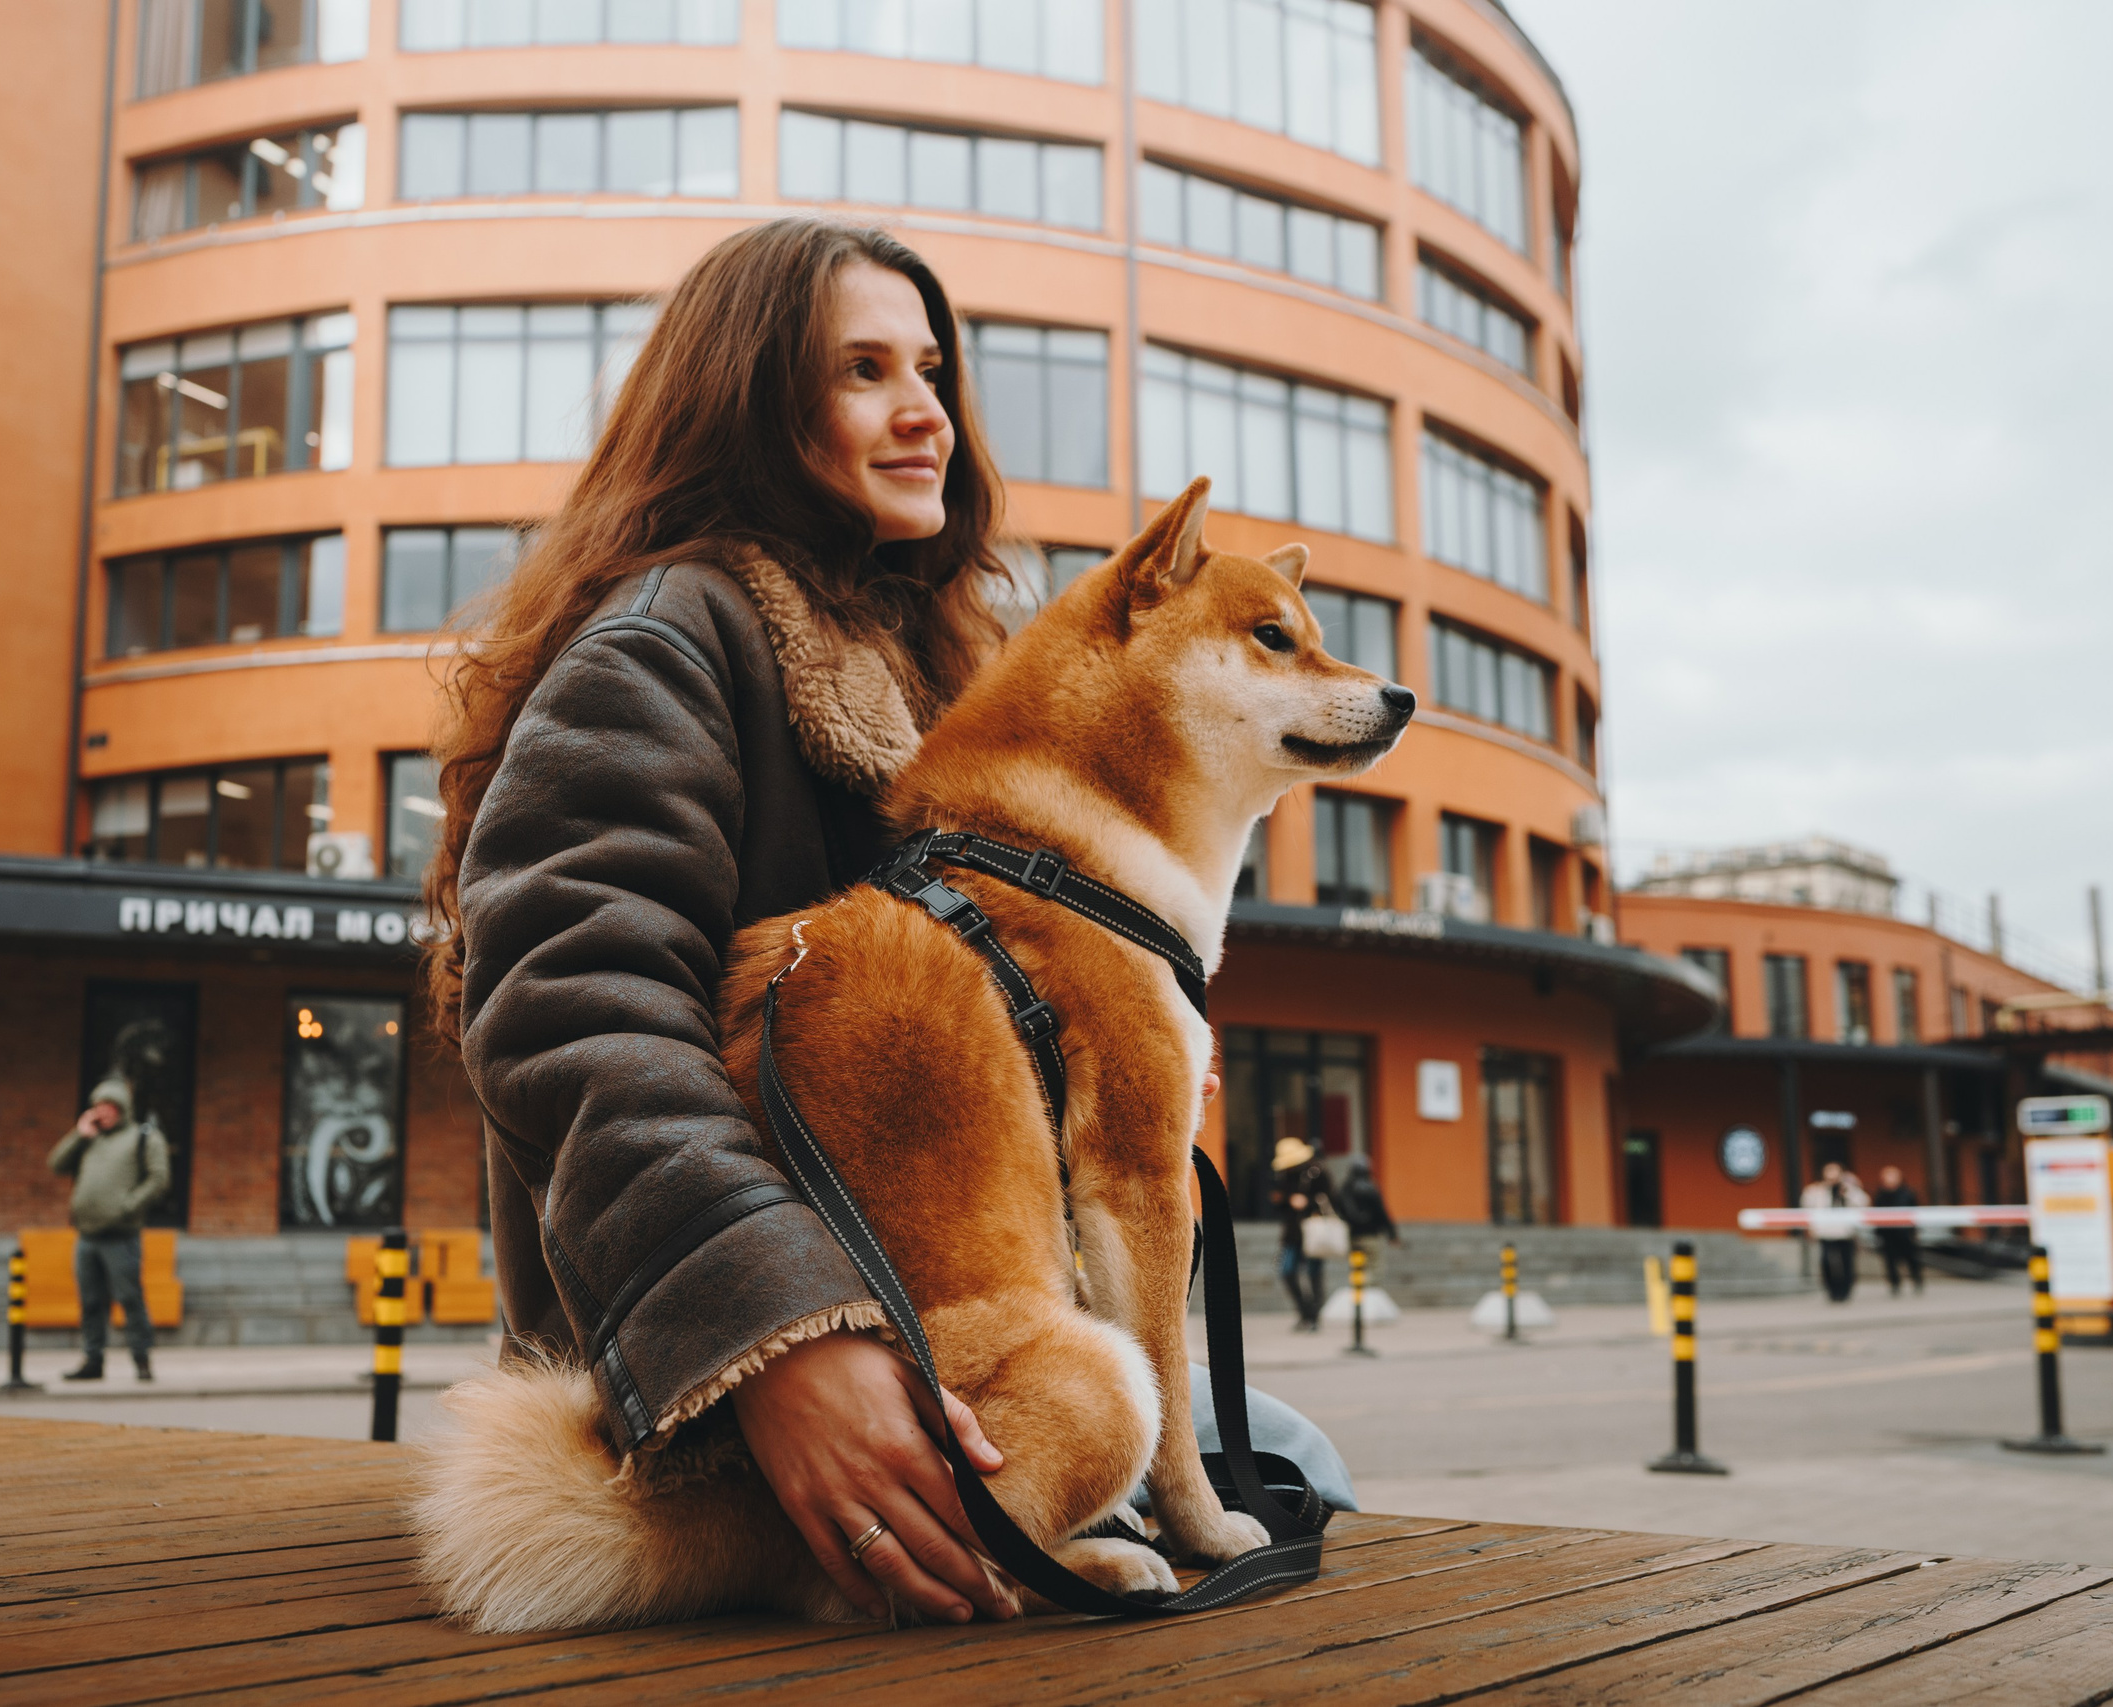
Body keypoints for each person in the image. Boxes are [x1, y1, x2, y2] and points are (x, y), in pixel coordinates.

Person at [426, 219, 1352, 1628]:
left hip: (933, 1307)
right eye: (863, 370)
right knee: (1264, 1454)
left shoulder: (933, 670)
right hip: (713, 1380)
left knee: (1281, 1451)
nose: (925, 407)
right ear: (746, 398)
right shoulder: (665, 642)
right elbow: (573, 1002)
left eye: (932, 365)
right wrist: (780, 1341)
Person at [47, 1077, 170, 1382]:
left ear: (122, 1109)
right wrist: (80, 1134)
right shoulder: (91, 1139)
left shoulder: (143, 1138)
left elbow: (158, 1178)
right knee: (90, 1302)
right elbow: (56, 1164)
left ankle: (141, 1359)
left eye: (108, 1107)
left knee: (129, 1298)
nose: (102, 1112)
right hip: (87, 1235)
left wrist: (128, 1207)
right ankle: (93, 1359)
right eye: (98, 1106)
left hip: (121, 1236)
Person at [1272, 1137, 1336, 1330]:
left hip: (1314, 1230)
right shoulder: (1286, 1176)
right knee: (1287, 1271)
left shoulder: (1317, 1172)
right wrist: (1283, 1200)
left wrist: (1307, 1201)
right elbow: (1283, 1204)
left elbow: (1331, 1199)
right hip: (1292, 1233)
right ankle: (1305, 1312)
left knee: (1314, 1273)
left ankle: (1314, 1317)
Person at [1800, 1160, 1869, 1303]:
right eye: (1829, 1171)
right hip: (1826, 1232)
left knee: (1847, 1263)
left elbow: (1864, 1202)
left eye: (1835, 1171)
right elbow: (1806, 1206)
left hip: (1845, 1232)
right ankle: (1832, 1290)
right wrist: (1812, 1227)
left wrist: (1848, 1191)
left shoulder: (1848, 1189)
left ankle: (1845, 1291)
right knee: (1826, 1262)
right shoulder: (1816, 1190)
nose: (1832, 1175)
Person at [1331, 1155, 1402, 1284]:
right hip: (1371, 1235)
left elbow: (1338, 1210)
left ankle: (1357, 1290)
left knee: (1357, 1267)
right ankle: (1366, 1289)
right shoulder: (1370, 1188)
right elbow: (1381, 1212)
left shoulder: (1344, 1188)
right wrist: (1391, 1233)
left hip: (1352, 1235)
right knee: (1375, 1268)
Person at [1871, 1165, 1924, 1296]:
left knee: (1911, 1259)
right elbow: (1876, 1214)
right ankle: (1895, 1284)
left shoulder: (1908, 1193)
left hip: (1905, 1233)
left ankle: (1917, 1280)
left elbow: (1914, 1213)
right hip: (1887, 1234)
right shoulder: (1880, 1195)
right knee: (1890, 1261)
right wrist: (1877, 1233)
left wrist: (1914, 1231)